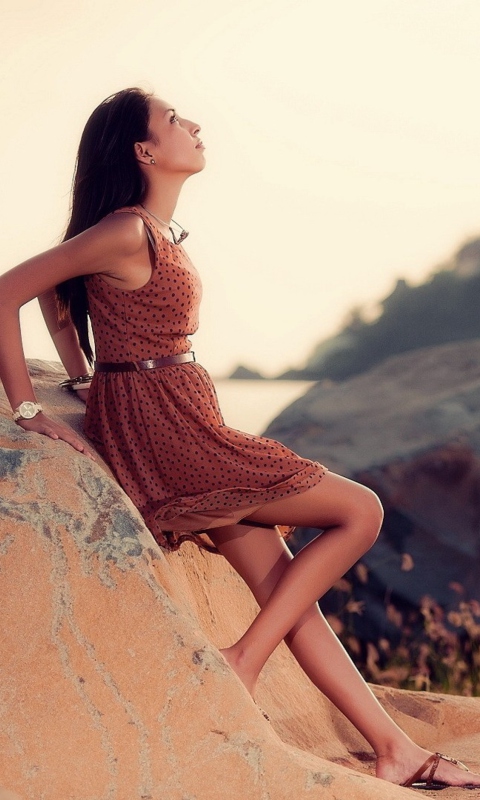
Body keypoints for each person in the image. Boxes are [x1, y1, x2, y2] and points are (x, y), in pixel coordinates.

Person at [0, 87, 478, 792]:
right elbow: (12, 288)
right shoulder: (129, 230)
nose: (192, 126)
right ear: (144, 151)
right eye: (172, 121)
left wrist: (86, 374)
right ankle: (245, 662)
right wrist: (28, 410)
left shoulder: (149, 233)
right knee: (362, 511)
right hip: (174, 434)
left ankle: (394, 751)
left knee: (290, 590)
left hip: (181, 417)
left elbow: (55, 290)